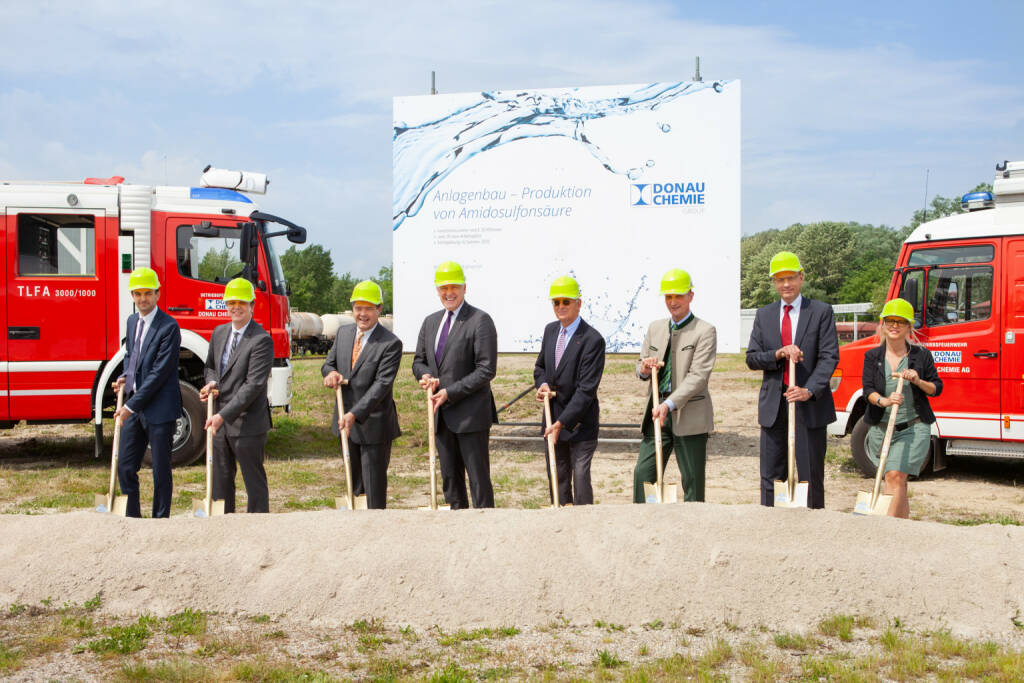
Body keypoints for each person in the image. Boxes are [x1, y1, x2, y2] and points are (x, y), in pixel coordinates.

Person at [746, 251, 839, 509]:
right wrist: (778, 353)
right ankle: (771, 523)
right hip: (774, 407)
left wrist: (809, 390)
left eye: (791, 278)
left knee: (810, 477)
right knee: (771, 478)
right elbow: (752, 358)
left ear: (801, 277)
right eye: (780, 279)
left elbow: (830, 356)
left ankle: (811, 525)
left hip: (809, 405)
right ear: (774, 282)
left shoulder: (820, 312)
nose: (786, 284)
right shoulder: (764, 315)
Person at [412, 261, 498, 509]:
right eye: (444, 288)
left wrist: (449, 392)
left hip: (471, 416)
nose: (448, 292)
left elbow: (486, 369)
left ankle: (485, 524)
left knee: (478, 481)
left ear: (464, 288)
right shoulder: (430, 322)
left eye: (454, 287)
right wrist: (425, 375)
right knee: (451, 481)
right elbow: (419, 361)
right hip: (441, 417)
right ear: (437, 290)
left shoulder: (480, 320)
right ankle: (457, 525)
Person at [633, 269, 717, 503]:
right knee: (643, 474)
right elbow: (640, 365)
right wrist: (644, 369)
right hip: (656, 412)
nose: (673, 302)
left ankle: (692, 523)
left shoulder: (705, 331)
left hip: (689, 414)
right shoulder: (655, 328)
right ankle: (642, 520)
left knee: (692, 480)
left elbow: (698, 376)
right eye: (668, 296)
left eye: (678, 296)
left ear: (690, 296)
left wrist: (669, 404)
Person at [322, 280, 402, 509]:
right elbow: (328, 364)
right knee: (353, 485)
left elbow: (381, 386)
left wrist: (355, 414)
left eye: (368, 308)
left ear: (379, 309)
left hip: (373, 425)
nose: (362, 314)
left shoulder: (390, 344)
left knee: (373, 489)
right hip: (344, 422)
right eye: (358, 308)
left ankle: (376, 527)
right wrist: (331, 373)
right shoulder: (344, 333)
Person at [111, 267, 182, 518]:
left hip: (160, 408)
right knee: (125, 466)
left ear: (157, 294)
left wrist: (129, 407)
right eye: (138, 293)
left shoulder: (169, 327)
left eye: (148, 293)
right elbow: (132, 356)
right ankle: (133, 519)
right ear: (132, 295)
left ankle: (160, 521)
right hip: (136, 406)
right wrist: (125, 377)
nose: (143, 298)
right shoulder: (132, 321)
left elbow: (159, 373)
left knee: (160, 471)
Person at [199, 278, 274, 513]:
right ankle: (224, 524)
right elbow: (211, 367)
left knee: (253, 481)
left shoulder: (261, 340)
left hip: (247, 423)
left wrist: (222, 415)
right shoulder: (219, 332)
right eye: (231, 303)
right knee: (220, 480)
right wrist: (211, 382)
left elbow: (253, 386)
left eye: (241, 302)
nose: (236, 307)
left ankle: (258, 524)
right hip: (220, 423)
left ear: (252, 305)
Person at [861, 298, 941, 518]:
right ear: (883, 324)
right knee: (899, 482)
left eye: (900, 321)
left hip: (913, 428)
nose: (894, 326)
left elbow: (936, 388)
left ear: (909, 327)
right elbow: (868, 390)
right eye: (890, 321)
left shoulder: (921, 356)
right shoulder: (872, 356)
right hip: (881, 428)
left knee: (894, 476)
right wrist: (884, 401)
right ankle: (903, 528)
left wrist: (917, 380)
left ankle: (887, 529)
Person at [534, 276, 606, 506]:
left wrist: (562, 423)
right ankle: (561, 519)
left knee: (581, 479)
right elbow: (540, 367)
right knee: (558, 479)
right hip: (551, 418)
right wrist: (542, 384)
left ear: (578, 303)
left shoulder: (592, 340)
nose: (561, 306)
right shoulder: (550, 331)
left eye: (566, 301)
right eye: (556, 302)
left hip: (580, 424)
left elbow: (586, 390)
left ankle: (584, 521)